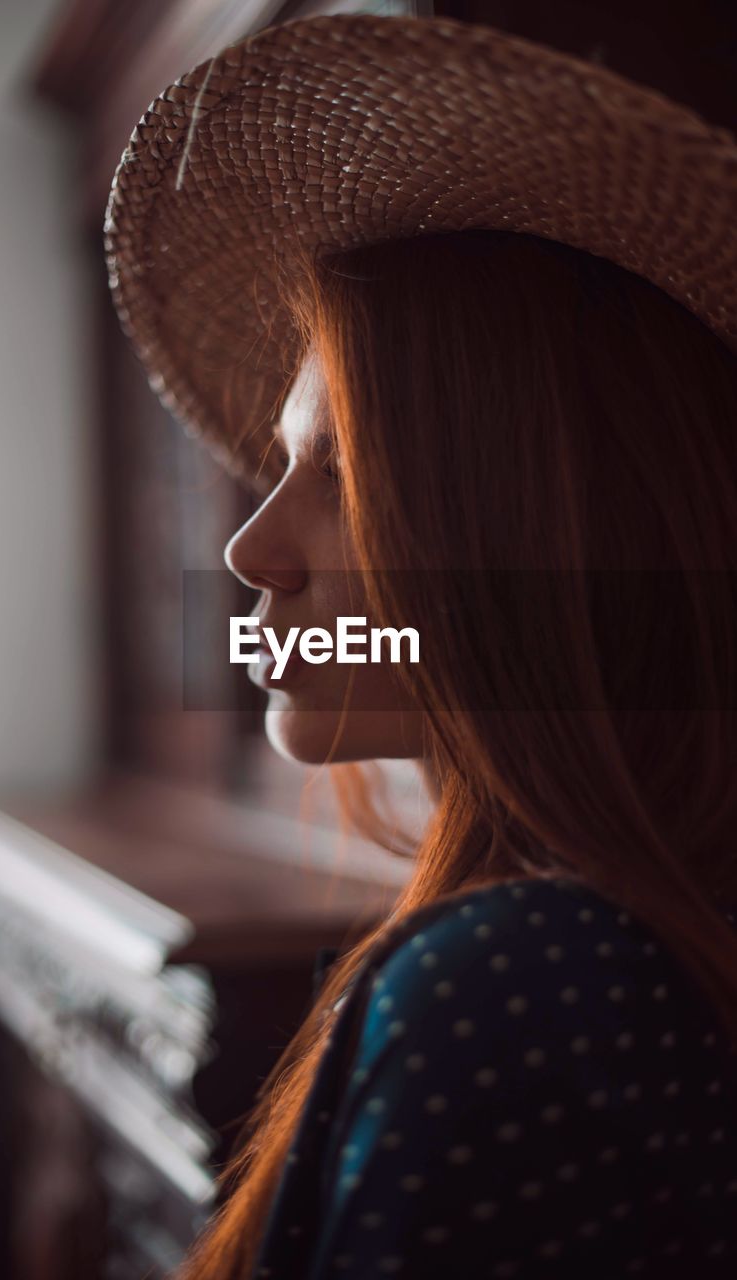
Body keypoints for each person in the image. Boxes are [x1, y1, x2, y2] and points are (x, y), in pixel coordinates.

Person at [104, 12, 737, 1278]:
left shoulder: (521, 989)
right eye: (283, 468)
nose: (252, 551)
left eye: (345, 471)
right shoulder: (592, 944)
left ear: (541, 516)